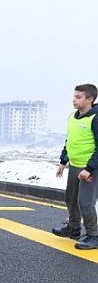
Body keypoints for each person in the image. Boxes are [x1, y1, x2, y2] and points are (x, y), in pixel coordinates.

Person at [53, 84, 98, 250]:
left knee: (85, 202)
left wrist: (89, 168)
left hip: (91, 168)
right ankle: (73, 228)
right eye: (74, 96)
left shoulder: (95, 118)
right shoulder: (72, 117)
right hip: (75, 165)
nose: (74, 100)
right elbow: (70, 141)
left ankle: (94, 235)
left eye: (78, 97)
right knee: (71, 199)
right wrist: (63, 162)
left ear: (90, 99)